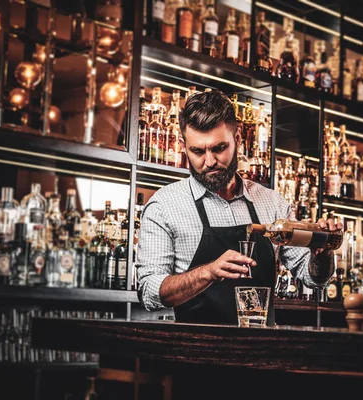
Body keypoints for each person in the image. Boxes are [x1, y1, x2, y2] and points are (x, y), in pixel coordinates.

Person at [135, 90, 341, 326]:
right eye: (198, 151)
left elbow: (312, 278)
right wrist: (208, 272)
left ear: (239, 139)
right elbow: (150, 292)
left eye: (219, 148)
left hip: (261, 355)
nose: (210, 161)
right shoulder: (165, 206)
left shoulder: (272, 203)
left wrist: (322, 256)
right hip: (194, 353)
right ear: (183, 146)